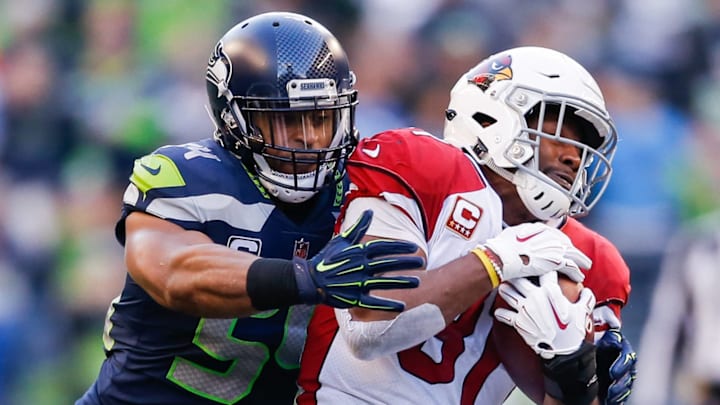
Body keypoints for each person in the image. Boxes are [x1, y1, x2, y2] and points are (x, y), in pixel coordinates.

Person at [76, 12, 426, 405]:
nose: (308, 138)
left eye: (321, 117)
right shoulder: (189, 177)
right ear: (234, 118)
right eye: (285, 119)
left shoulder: (359, 190)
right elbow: (171, 273)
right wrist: (304, 277)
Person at [298, 46, 635, 405]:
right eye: (556, 131)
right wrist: (495, 262)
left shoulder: (587, 258)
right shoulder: (421, 164)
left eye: (583, 145)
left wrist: (571, 373)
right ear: (491, 118)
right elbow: (370, 325)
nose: (573, 155)